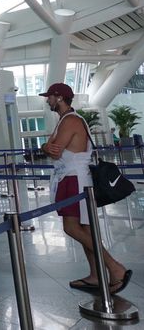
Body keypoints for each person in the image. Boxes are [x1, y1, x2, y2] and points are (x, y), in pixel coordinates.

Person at [40, 83, 131, 294]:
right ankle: (96, 274)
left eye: (50, 97)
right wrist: (47, 146)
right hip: (71, 177)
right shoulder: (65, 120)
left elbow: (53, 151)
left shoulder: (70, 120)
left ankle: (115, 268)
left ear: (59, 97)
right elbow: (50, 147)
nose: (47, 101)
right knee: (86, 229)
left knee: (71, 227)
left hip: (74, 178)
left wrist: (46, 146)